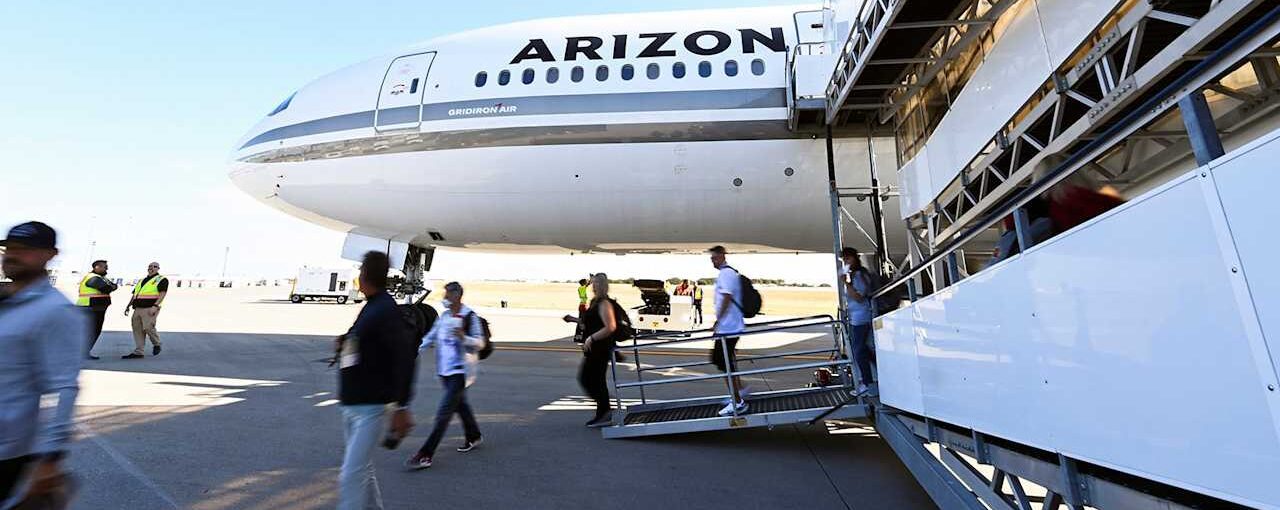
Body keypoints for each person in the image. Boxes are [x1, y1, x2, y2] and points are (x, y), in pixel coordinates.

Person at [0, 222, 84, 506]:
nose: (11, 255)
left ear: (50, 254)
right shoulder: (7, 301)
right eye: (9, 248)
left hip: (6, 450)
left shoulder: (55, 311)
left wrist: (50, 458)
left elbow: (64, 388)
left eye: (24, 250)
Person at [335, 251, 417, 509]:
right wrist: (344, 341)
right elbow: (360, 340)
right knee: (361, 471)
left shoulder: (385, 310)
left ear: (364, 275)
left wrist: (401, 407)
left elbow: (405, 357)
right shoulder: (372, 307)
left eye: (360, 271)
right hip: (353, 405)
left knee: (350, 475)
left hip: (369, 407)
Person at [407, 282, 485, 470]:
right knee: (461, 405)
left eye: (448, 295)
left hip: (460, 372)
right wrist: (415, 349)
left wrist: (463, 337)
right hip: (444, 372)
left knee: (443, 414)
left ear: (457, 296)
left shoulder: (469, 317)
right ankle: (474, 435)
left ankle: (426, 454)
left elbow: (480, 343)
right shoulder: (444, 316)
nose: (445, 298)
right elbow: (432, 335)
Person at [563, 273, 623, 428]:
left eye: (597, 283)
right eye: (593, 283)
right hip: (595, 349)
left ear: (603, 285)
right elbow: (593, 321)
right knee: (594, 380)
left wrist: (591, 339)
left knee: (588, 379)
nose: (594, 286)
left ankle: (605, 409)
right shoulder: (595, 302)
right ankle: (603, 411)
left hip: (600, 348)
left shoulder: (604, 303)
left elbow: (610, 327)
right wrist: (573, 320)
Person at [708, 245, 748, 416]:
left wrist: (718, 322)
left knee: (721, 361)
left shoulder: (726, 274)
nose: (712, 261)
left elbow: (726, 297)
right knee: (727, 361)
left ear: (722, 256)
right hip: (731, 326)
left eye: (715, 257)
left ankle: (738, 401)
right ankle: (739, 392)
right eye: (711, 258)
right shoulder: (729, 273)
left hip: (728, 327)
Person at [840, 247, 875, 395]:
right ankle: (878, 372)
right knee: (863, 349)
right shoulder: (856, 275)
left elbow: (859, 297)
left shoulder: (859, 275)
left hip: (861, 318)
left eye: (848, 259)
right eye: (844, 260)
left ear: (854, 258)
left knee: (858, 350)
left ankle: (867, 383)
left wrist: (847, 283)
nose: (845, 262)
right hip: (858, 317)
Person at [122, 262, 168, 359]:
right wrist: (128, 305)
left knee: (148, 327)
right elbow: (135, 294)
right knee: (137, 329)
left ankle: (157, 344)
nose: (152, 268)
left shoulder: (161, 279)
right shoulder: (142, 280)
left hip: (150, 308)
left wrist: (155, 306)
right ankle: (139, 352)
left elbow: (162, 293)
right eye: (150, 266)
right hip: (137, 308)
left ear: (158, 268)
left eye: (155, 266)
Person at [76, 260, 118, 360]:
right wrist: (111, 286)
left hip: (96, 307)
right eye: (105, 267)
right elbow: (107, 288)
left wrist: (112, 286)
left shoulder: (101, 278)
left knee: (92, 331)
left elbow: (114, 286)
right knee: (92, 331)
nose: (107, 269)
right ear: (97, 267)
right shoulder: (93, 278)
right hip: (90, 307)